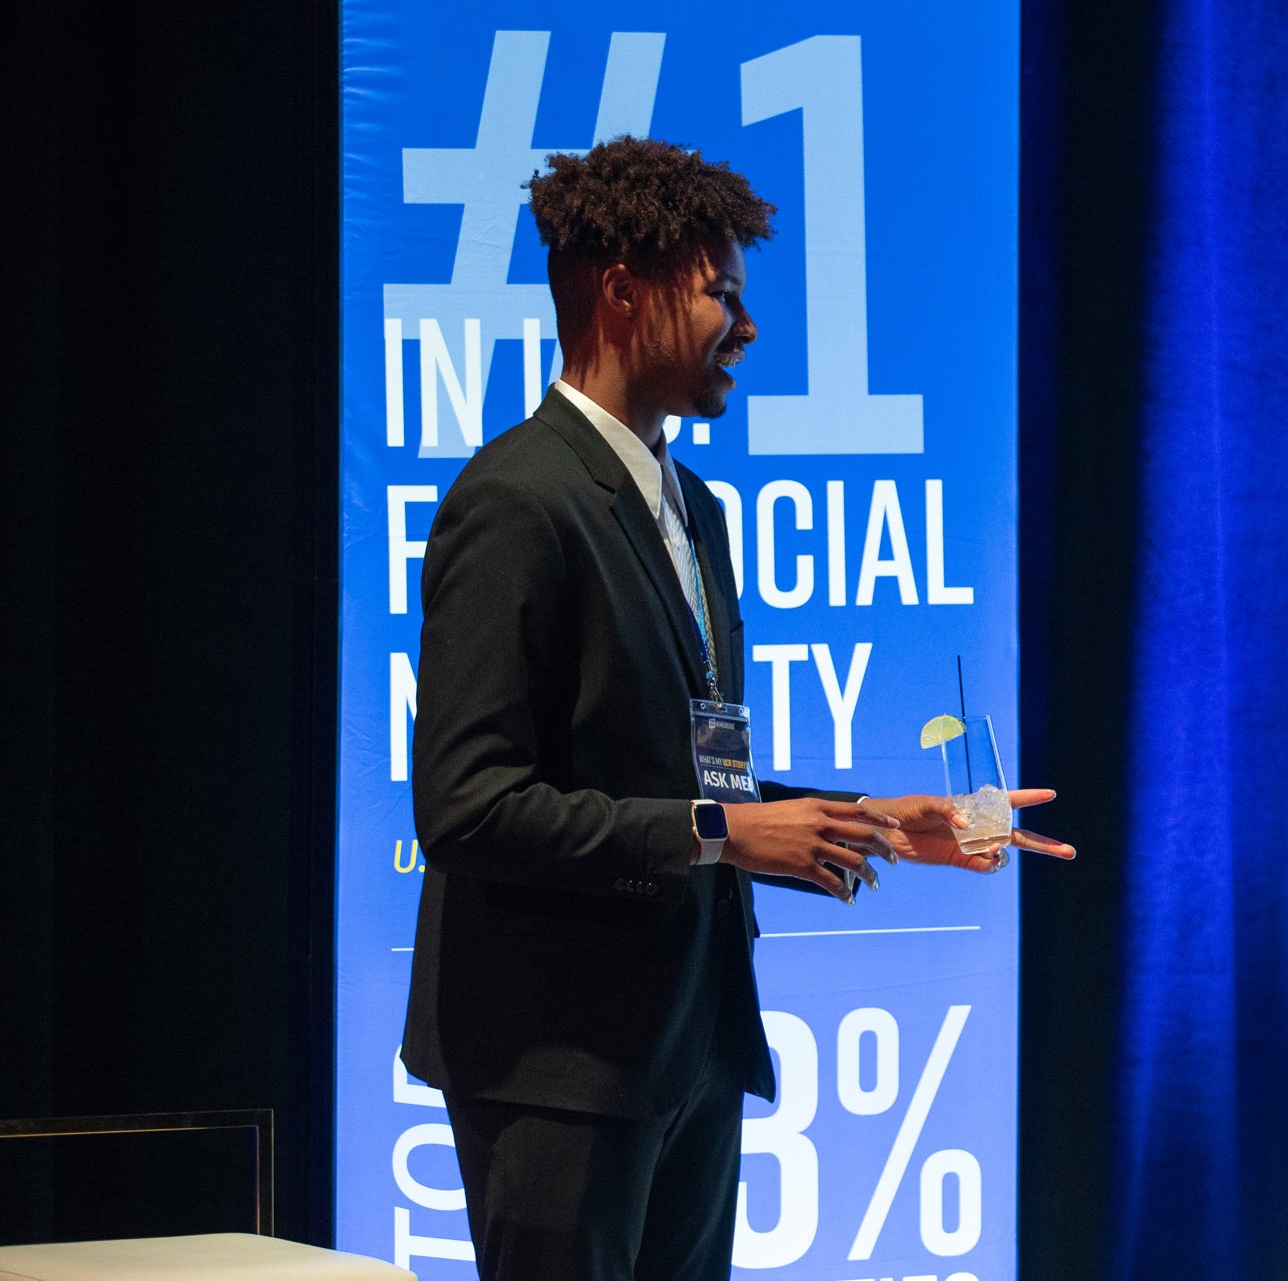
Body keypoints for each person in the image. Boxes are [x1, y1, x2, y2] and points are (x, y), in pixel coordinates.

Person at [401, 136, 1073, 1281]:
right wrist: (721, 834)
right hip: (557, 1066)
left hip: (690, 1051)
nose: (747, 326)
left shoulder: (695, 507)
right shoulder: (515, 499)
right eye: (721, 292)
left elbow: (687, 781)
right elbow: (469, 808)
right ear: (624, 293)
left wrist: (874, 821)